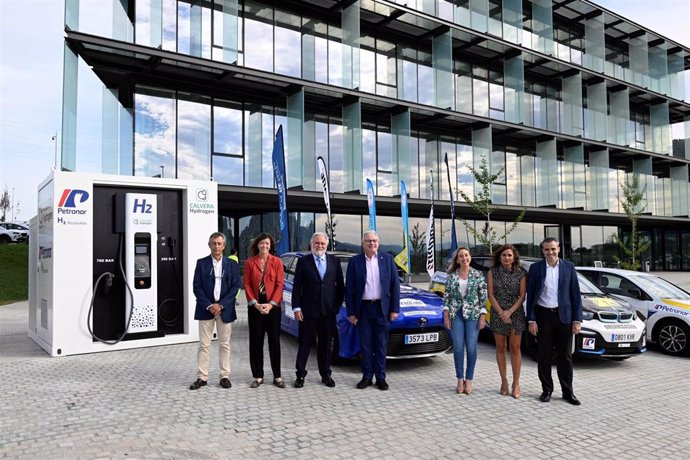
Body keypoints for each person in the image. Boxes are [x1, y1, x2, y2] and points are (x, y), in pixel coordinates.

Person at [526, 237, 583, 405]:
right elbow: (531, 296)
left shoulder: (569, 267)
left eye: (553, 249)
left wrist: (577, 320)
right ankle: (547, 390)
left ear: (558, 248)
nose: (550, 252)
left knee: (565, 357)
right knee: (543, 355)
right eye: (546, 250)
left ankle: (568, 392)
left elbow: (575, 295)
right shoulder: (535, 269)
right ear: (542, 251)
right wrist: (531, 320)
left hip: (564, 317)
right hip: (543, 317)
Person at [345, 230, 400, 391]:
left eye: (374, 241)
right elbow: (349, 289)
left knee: (381, 345)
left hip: (382, 309)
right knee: (366, 345)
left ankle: (381, 377)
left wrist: (395, 309)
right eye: (368, 241)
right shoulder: (355, 262)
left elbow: (394, 286)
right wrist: (351, 312)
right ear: (363, 244)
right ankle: (367, 377)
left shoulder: (388, 260)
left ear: (378, 243)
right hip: (363, 309)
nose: (372, 243)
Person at [292, 232, 345, 388]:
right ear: (311, 244)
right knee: (305, 344)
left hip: (328, 313)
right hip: (308, 312)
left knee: (325, 346)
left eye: (322, 243)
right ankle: (300, 375)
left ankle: (326, 374)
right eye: (317, 243)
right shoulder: (304, 262)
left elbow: (340, 288)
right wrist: (296, 307)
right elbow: (297, 287)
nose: (319, 246)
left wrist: (335, 307)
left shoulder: (334, 262)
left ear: (326, 245)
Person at [190, 232, 241, 390]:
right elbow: (196, 287)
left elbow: (235, 286)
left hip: (225, 310)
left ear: (224, 246)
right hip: (206, 310)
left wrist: (221, 305)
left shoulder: (231, 264)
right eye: (214, 243)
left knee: (224, 344)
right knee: (204, 345)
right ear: (209, 245)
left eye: (219, 244)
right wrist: (210, 305)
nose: (216, 246)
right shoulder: (201, 263)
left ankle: (224, 376)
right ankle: (202, 377)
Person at [442, 247, 487, 395]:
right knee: (458, 348)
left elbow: (483, 298)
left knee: (472, 348)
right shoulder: (451, 276)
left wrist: (482, 316)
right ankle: (460, 379)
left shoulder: (478, 275)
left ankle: (469, 379)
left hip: (473, 316)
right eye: (461, 256)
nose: (464, 258)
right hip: (456, 316)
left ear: (470, 257)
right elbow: (446, 298)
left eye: (466, 255)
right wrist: (446, 315)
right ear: (457, 259)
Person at [244, 233, 286, 388]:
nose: (264, 246)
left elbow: (280, 284)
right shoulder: (250, 262)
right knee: (256, 342)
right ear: (257, 245)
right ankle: (258, 376)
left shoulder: (277, 262)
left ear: (271, 246)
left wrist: (271, 304)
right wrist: (255, 304)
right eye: (262, 243)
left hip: (272, 307)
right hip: (255, 307)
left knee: (274, 341)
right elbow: (247, 284)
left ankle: (277, 376)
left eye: (267, 244)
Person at [487, 244, 527, 399]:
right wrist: (501, 312)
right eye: (504, 255)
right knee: (500, 347)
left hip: (515, 313)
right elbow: (491, 295)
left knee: (515, 348)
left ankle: (516, 383)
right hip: (498, 313)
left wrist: (509, 311)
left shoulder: (521, 273)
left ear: (514, 257)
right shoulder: (492, 272)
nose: (507, 258)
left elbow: (522, 295)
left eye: (509, 255)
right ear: (499, 257)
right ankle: (504, 381)